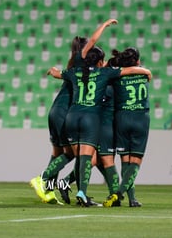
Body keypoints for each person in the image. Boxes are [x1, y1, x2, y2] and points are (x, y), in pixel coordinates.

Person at [47, 46, 151, 206]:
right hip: (104, 126)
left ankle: (67, 185)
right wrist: (145, 71)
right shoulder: (110, 80)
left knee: (93, 160)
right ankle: (119, 196)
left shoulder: (105, 78)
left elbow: (59, 73)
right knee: (105, 161)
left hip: (95, 123)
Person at [30, 19, 118, 204]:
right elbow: (93, 42)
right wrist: (104, 25)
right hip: (66, 112)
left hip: (57, 110)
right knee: (74, 154)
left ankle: (50, 189)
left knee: (60, 153)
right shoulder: (85, 64)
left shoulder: (75, 65)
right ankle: (43, 180)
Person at [103, 47, 150, 208]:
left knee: (125, 160)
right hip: (140, 118)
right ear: (137, 60)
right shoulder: (144, 72)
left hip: (122, 117)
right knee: (135, 161)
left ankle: (132, 199)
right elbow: (146, 72)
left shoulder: (116, 75)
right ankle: (120, 194)